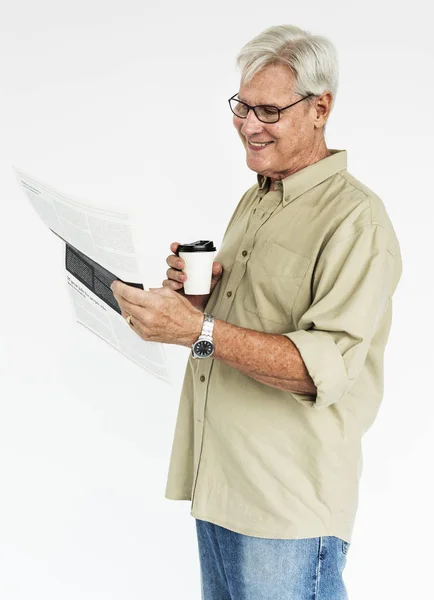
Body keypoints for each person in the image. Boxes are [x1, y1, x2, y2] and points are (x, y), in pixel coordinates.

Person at [111, 24, 403, 600]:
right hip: (220, 483)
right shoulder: (258, 196)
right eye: (241, 107)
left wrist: (197, 328)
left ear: (320, 108)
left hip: (286, 504)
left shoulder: (357, 221)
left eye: (267, 110)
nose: (248, 125)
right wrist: (196, 304)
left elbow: (317, 368)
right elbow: (239, 329)